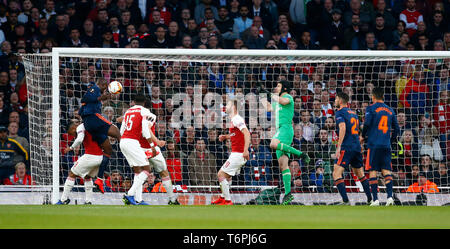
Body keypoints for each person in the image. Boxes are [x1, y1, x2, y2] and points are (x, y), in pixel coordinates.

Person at [261, 80, 310, 205]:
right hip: (280, 130)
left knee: (272, 144)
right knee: (283, 165)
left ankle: (300, 154)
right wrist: (261, 96)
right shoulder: (277, 100)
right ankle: (288, 194)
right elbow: (269, 108)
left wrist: (272, 95)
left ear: (285, 88)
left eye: (278, 85)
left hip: (285, 129)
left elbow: (283, 101)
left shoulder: (287, 97)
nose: (276, 87)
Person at [78, 78, 121, 193]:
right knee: (117, 132)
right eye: (104, 86)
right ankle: (131, 154)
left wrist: (101, 99)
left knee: (108, 149)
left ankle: (100, 180)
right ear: (101, 84)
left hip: (90, 124)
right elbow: (85, 98)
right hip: (93, 118)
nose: (104, 89)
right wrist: (102, 97)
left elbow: (82, 107)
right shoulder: (94, 88)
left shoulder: (97, 94)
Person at [361, 87, 401, 206]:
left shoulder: (371, 108)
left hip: (374, 144)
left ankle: (376, 200)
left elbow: (367, 123)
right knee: (386, 171)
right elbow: (397, 129)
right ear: (382, 96)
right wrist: (391, 140)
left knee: (372, 170)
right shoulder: (390, 110)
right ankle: (389, 198)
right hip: (386, 145)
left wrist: (363, 135)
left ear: (373, 96)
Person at [332, 92, 372, 205]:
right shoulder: (353, 114)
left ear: (340, 100)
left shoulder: (340, 112)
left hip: (346, 147)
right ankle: (370, 199)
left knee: (336, 173)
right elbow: (360, 130)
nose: (334, 101)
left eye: (336, 99)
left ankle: (345, 200)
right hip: (356, 147)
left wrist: (339, 146)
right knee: (360, 174)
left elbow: (342, 127)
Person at [138, 100, 180, 205]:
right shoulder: (150, 115)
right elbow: (147, 129)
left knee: (139, 173)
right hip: (151, 148)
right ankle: (172, 199)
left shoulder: (135, 117)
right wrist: (157, 142)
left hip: (139, 149)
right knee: (163, 172)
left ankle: (136, 198)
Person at [211, 100, 250, 205]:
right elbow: (236, 135)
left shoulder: (237, 119)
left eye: (227, 104)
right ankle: (223, 197)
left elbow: (247, 133)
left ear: (233, 107)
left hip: (239, 153)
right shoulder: (233, 120)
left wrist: (245, 150)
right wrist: (226, 137)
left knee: (221, 174)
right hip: (236, 153)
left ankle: (227, 200)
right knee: (226, 177)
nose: (225, 106)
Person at [56, 123, 104, 205]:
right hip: (100, 157)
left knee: (72, 174)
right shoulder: (90, 126)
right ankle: (88, 201)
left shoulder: (80, 127)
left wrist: (70, 147)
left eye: (71, 133)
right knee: (87, 176)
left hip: (90, 155)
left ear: (73, 128)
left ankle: (63, 200)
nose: (73, 136)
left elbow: (79, 139)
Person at [120, 94, 156, 205]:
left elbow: (122, 129)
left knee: (138, 171)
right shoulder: (144, 111)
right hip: (132, 142)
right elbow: (145, 130)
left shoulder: (128, 111)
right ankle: (130, 194)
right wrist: (152, 145)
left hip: (123, 141)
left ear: (134, 102)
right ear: (145, 103)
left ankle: (138, 199)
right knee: (147, 169)